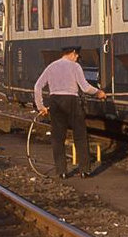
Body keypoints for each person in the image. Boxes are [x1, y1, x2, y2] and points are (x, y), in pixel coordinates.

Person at [33, 45, 107, 178]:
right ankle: (84, 170)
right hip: (72, 101)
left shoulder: (51, 66)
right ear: (73, 53)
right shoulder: (75, 66)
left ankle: (61, 171)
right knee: (80, 135)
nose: (77, 57)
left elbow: (37, 86)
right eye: (77, 55)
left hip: (55, 101)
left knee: (58, 138)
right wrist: (98, 93)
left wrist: (41, 107)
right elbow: (85, 88)